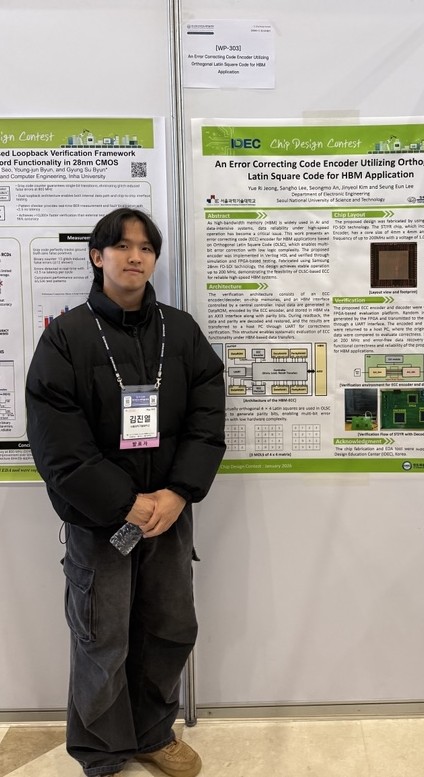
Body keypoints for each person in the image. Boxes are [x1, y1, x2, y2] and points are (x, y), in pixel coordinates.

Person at [25, 208, 226, 777]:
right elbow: (58, 443)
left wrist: (178, 492)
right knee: (101, 636)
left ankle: (153, 735)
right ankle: (101, 751)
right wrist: (124, 503)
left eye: (146, 248)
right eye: (121, 246)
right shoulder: (66, 337)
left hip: (168, 515)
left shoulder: (181, 332)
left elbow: (208, 418)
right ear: (98, 256)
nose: (135, 257)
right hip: (100, 520)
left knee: (170, 628)